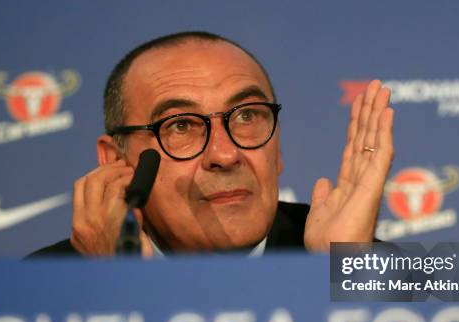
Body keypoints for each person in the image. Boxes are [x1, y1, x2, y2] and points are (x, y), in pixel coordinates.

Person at [29, 31, 394, 257]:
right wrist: (116, 289)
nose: (225, 154)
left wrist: (344, 277)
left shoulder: (348, 254)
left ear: (277, 147)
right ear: (115, 161)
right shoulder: (47, 284)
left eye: (247, 116)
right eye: (181, 125)